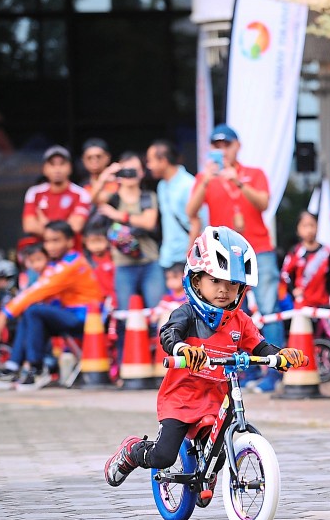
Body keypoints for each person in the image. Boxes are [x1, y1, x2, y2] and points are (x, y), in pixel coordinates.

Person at [103, 226, 305, 488]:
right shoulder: (187, 314)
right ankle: (132, 451)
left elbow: (260, 347)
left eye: (232, 284)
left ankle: (203, 481)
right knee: (164, 456)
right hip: (182, 397)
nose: (224, 290)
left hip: (217, 397)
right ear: (196, 281)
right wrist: (182, 349)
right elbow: (169, 334)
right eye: (215, 281)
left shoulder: (240, 321)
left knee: (219, 454)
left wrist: (281, 355)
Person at [186, 124, 284, 389]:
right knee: (232, 311)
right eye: (216, 146)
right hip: (225, 257)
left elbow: (264, 203)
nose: (222, 150)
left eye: (226, 144)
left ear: (237, 146)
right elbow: (191, 210)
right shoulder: (206, 176)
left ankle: (274, 372)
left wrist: (237, 181)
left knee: (268, 308)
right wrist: (207, 179)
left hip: (259, 248)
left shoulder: (253, 173)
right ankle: (247, 370)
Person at [0, 220, 103, 387]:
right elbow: (37, 291)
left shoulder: (72, 264)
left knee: (34, 311)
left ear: (70, 241)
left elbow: (38, 290)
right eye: (47, 241)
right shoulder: (57, 265)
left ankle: (36, 369)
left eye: (55, 240)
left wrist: (4, 314)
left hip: (86, 318)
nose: (49, 246)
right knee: (31, 311)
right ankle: (14, 367)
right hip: (69, 315)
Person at [93, 151, 164, 312]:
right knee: (124, 315)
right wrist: (105, 176)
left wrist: (117, 215)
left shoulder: (148, 196)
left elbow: (148, 222)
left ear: (141, 173)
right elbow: (92, 198)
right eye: (126, 170)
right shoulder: (113, 197)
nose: (130, 174)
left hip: (150, 261)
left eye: (134, 170)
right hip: (123, 264)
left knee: (157, 312)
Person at [146, 139, 204, 270]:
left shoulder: (188, 184)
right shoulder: (162, 185)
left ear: (163, 161)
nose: (149, 166)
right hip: (167, 256)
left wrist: (190, 254)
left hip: (186, 257)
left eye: (150, 160)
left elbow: (198, 221)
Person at [22, 145, 92, 244]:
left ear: (70, 168)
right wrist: (63, 228)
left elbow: (76, 226)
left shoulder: (82, 193)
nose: (57, 169)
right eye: (52, 164)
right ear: (44, 169)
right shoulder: (34, 192)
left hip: (71, 255)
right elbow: (29, 226)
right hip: (42, 253)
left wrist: (46, 223)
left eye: (62, 164)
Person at [280, 211, 330, 310]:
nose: (309, 230)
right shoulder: (295, 252)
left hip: (323, 303)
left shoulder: (326, 251)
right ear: (298, 229)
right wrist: (293, 290)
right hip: (302, 304)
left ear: (317, 227)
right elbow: (285, 274)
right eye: (304, 226)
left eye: (312, 225)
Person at [81, 219, 116, 306]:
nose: (96, 246)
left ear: (107, 241)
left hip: (114, 297)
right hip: (96, 300)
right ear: (85, 243)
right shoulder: (85, 262)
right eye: (92, 242)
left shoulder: (114, 258)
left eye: (99, 241)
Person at [80, 138, 115, 204]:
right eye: (89, 158)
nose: (94, 161)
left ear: (107, 157)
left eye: (98, 156)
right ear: (83, 160)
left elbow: (103, 200)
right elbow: (86, 203)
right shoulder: (81, 187)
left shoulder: (117, 182)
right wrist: (102, 179)